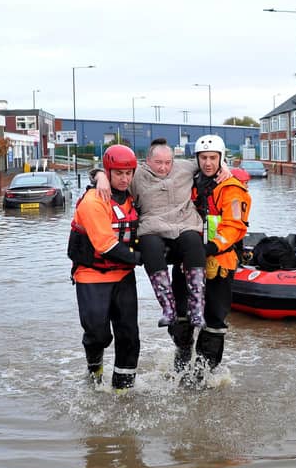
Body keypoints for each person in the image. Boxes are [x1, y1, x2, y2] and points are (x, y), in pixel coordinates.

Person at [93, 139, 231, 329]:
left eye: (168, 162)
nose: (164, 167)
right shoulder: (136, 174)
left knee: (193, 242)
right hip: (152, 226)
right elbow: (114, 173)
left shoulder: (184, 167)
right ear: (147, 160)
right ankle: (168, 307)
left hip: (185, 224)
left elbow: (207, 163)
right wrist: (100, 176)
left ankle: (197, 307)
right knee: (149, 245)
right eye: (158, 163)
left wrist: (224, 165)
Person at [169, 135, 251, 377]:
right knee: (180, 316)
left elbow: (234, 226)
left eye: (213, 158)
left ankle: (204, 375)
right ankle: (181, 365)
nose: (207, 163)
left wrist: (210, 249)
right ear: (196, 159)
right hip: (187, 259)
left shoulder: (232, 189)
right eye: (203, 158)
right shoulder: (188, 183)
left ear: (221, 158)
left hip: (220, 261)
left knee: (214, 321)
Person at [67, 144, 143, 392]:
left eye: (128, 173)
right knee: (98, 334)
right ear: (108, 173)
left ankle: (123, 390)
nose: (124, 178)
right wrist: (142, 258)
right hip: (92, 275)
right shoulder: (93, 201)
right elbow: (106, 245)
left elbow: (168, 175)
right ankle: (94, 369)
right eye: (118, 173)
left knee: (129, 336)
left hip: (123, 276)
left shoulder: (133, 195)